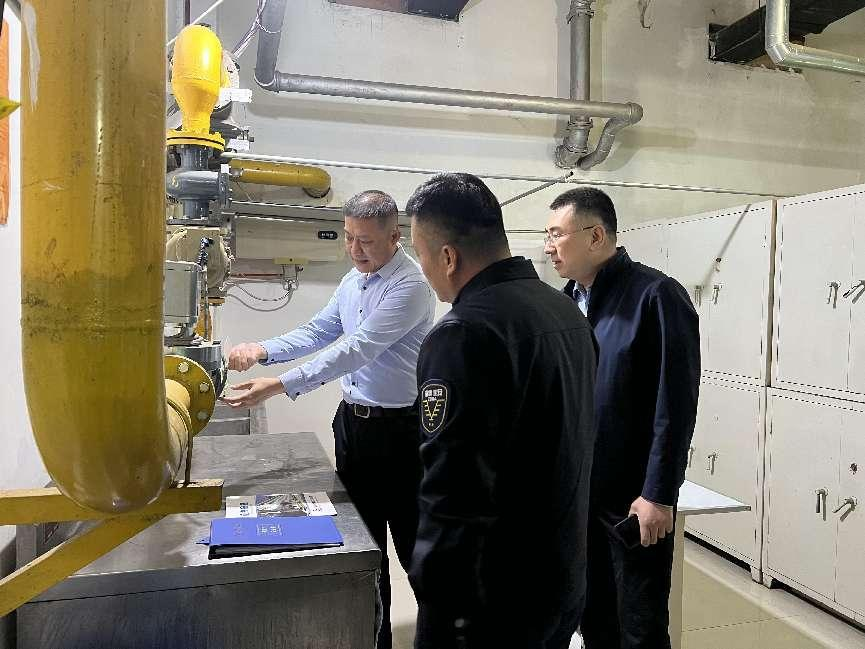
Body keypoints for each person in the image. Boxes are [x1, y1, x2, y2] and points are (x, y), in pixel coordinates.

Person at [224, 190, 435, 649]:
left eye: (366, 241)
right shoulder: (354, 280)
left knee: (416, 551)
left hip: (400, 434)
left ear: (395, 237)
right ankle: (375, 639)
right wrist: (263, 350)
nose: (355, 250)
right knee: (365, 549)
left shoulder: (411, 287)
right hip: (354, 427)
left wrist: (280, 384)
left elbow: (356, 349)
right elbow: (319, 330)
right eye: (349, 238)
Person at [406, 173, 597, 649]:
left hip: (491, 600)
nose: (423, 269)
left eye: (420, 254)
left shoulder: (462, 334)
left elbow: (452, 491)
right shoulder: (565, 312)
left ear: (448, 257)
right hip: (561, 576)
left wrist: (438, 609)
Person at [545, 187, 700, 649]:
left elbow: (675, 406)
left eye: (557, 235)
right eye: (547, 236)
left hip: (632, 500)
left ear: (595, 236)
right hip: (582, 497)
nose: (549, 247)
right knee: (593, 619)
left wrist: (659, 494)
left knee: (639, 624)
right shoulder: (566, 302)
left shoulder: (656, 296)